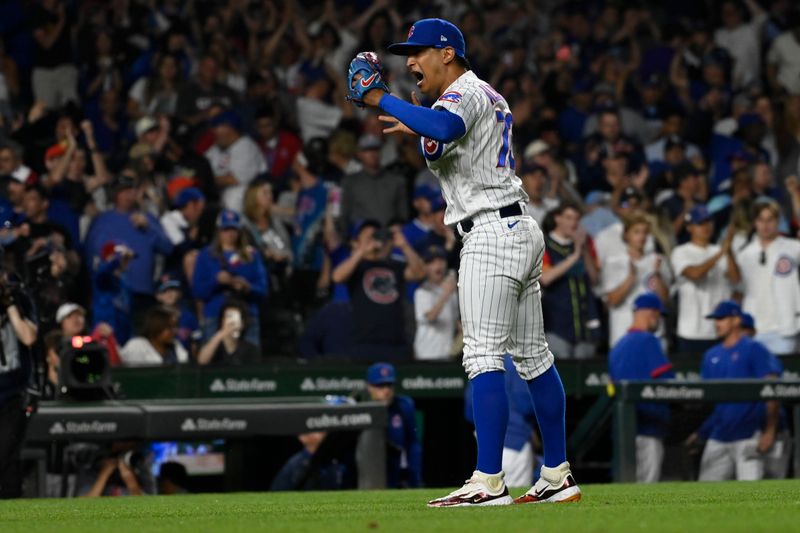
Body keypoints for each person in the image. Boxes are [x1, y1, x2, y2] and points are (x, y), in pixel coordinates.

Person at [352, 18, 580, 505]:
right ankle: (557, 473)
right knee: (534, 358)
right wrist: (412, 118)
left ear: (447, 53)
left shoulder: (466, 91)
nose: (409, 61)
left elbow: (445, 125)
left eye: (417, 52)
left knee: (482, 356)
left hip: (491, 232)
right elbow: (440, 137)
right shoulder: (464, 97)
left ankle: (488, 480)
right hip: (514, 226)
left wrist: (380, 100)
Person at [685, 301, 781, 481]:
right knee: (705, 497)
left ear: (736, 320)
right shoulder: (711, 355)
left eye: (721, 318)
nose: (717, 323)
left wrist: (770, 430)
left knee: (753, 499)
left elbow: (772, 388)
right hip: (719, 435)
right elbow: (717, 406)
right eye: (715, 319)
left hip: (749, 434)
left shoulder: (754, 349)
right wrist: (702, 433)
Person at [331, 221, 425, 360]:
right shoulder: (356, 267)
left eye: (375, 235)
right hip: (365, 343)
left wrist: (404, 246)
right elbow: (337, 277)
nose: (372, 238)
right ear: (355, 242)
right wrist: (361, 251)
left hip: (396, 343)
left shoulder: (394, 265)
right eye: (367, 236)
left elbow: (420, 273)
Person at [608, 293, 675, 483]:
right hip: (649, 429)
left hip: (624, 431)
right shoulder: (649, 341)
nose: (659, 320)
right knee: (647, 489)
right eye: (658, 314)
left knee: (626, 490)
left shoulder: (617, 346)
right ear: (651, 313)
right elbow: (667, 380)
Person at [192, 209, 268, 349]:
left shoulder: (251, 255)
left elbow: (263, 290)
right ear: (218, 231)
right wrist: (216, 281)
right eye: (226, 229)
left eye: (234, 229)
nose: (230, 234)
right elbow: (197, 291)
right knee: (213, 362)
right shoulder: (206, 255)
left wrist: (247, 287)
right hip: (215, 314)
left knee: (250, 359)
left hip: (247, 314)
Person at [671, 205, 739, 354]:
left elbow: (735, 278)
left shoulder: (719, 251)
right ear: (689, 227)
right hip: (692, 331)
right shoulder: (681, 252)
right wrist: (721, 252)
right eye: (700, 223)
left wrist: (729, 251)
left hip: (719, 330)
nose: (706, 227)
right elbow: (695, 274)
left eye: (708, 222)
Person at [735, 201, 800, 355]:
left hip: (785, 327)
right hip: (754, 328)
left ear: (778, 221)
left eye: (770, 219)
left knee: (784, 378)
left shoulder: (794, 248)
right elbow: (738, 292)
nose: (765, 225)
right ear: (754, 222)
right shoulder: (744, 254)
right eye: (761, 220)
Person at [601, 213, 671, 347]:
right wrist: (630, 278)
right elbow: (612, 301)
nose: (642, 237)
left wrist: (657, 274)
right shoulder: (614, 262)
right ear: (626, 235)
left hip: (654, 334)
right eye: (637, 232)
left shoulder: (657, 260)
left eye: (645, 232)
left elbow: (664, 300)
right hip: (623, 334)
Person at [540, 203, 600, 359]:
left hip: (585, 326)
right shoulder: (544, 244)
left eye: (576, 219)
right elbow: (545, 278)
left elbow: (594, 278)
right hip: (556, 325)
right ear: (557, 218)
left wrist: (583, 249)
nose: (573, 223)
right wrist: (574, 257)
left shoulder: (585, 244)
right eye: (568, 217)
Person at [0, 267, 37, 499]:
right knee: (10, 461)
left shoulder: (20, 298)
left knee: (5, 451)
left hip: (12, 393)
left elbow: (28, 337)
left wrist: (10, 304)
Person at [365, 363, 422, 488]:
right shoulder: (361, 407)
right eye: (380, 386)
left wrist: (415, 475)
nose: (386, 391)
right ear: (369, 387)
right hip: (368, 470)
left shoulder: (404, 405)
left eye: (389, 385)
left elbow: (412, 442)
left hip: (396, 470)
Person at [205, 110, 268, 213]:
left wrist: (205, 178)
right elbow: (203, 164)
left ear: (229, 128)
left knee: (232, 195)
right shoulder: (218, 146)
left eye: (217, 126)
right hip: (222, 190)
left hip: (250, 192)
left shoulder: (246, 147)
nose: (213, 130)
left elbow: (235, 179)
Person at [413, 245, 459, 360]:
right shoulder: (422, 292)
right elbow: (430, 317)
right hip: (426, 353)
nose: (438, 265)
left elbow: (455, 322)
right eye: (431, 262)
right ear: (425, 267)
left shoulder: (452, 293)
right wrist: (446, 294)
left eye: (441, 261)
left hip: (448, 353)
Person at [120, 306, 189, 367]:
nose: (174, 331)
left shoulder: (176, 345)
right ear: (156, 326)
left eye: (175, 327)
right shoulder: (136, 345)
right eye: (169, 327)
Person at [196, 301, 260, 366]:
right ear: (222, 321)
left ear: (243, 323)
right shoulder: (214, 346)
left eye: (235, 318)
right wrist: (221, 333)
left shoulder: (251, 349)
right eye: (228, 317)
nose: (231, 322)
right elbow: (202, 361)